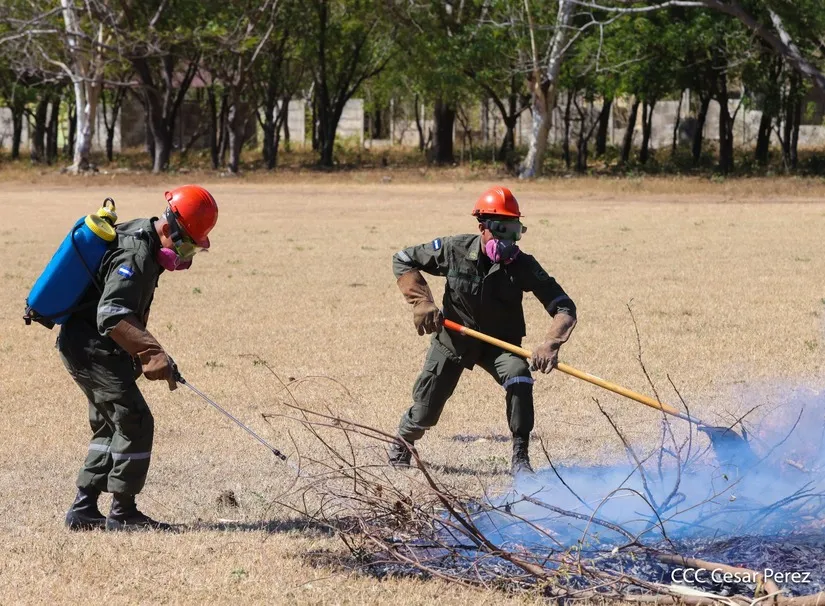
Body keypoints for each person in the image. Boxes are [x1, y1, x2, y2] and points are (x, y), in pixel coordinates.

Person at [60, 185, 218, 531]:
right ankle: (123, 513)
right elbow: (112, 314)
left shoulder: (144, 239)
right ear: (169, 227)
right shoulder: (135, 254)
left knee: (110, 424)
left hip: (96, 344)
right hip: (90, 347)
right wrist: (152, 353)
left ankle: (84, 508)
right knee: (135, 421)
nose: (185, 254)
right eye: (186, 243)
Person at [389, 186, 577, 475]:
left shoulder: (523, 265)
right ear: (482, 228)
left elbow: (563, 306)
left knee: (519, 376)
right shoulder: (454, 249)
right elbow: (403, 259)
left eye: (514, 231)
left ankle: (520, 457)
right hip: (452, 341)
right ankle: (403, 441)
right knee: (426, 410)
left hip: (501, 345)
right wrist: (421, 302)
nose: (507, 240)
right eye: (500, 229)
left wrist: (551, 342)